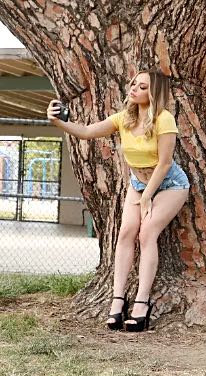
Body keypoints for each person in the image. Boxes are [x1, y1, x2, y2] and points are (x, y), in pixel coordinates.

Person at [48, 70, 189, 332]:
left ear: (154, 93)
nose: (134, 88)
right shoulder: (124, 118)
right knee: (125, 233)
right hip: (139, 184)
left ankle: (142, 304)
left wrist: (147, 197)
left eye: (143, 86)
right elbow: (87, 131)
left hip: (169, 185)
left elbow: (165, 163)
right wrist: (58, 122)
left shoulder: (164, 119)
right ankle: (117, 301)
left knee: (147, 233)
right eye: (134, 83)